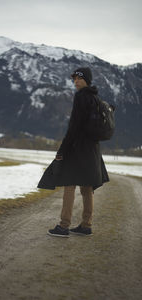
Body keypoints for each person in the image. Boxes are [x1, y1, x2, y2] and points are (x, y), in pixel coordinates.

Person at [37, 67, 109, 237]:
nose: (76, 81)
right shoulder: (96, 98)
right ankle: (86, 225)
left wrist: (62, 149)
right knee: (87, 187)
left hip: (78, 148)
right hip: (92, 149)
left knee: (69, 184)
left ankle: (63, 226)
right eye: (74, 79)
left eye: (79, 78)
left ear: (87, 80)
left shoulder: (81, 97)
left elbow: (74, 126)